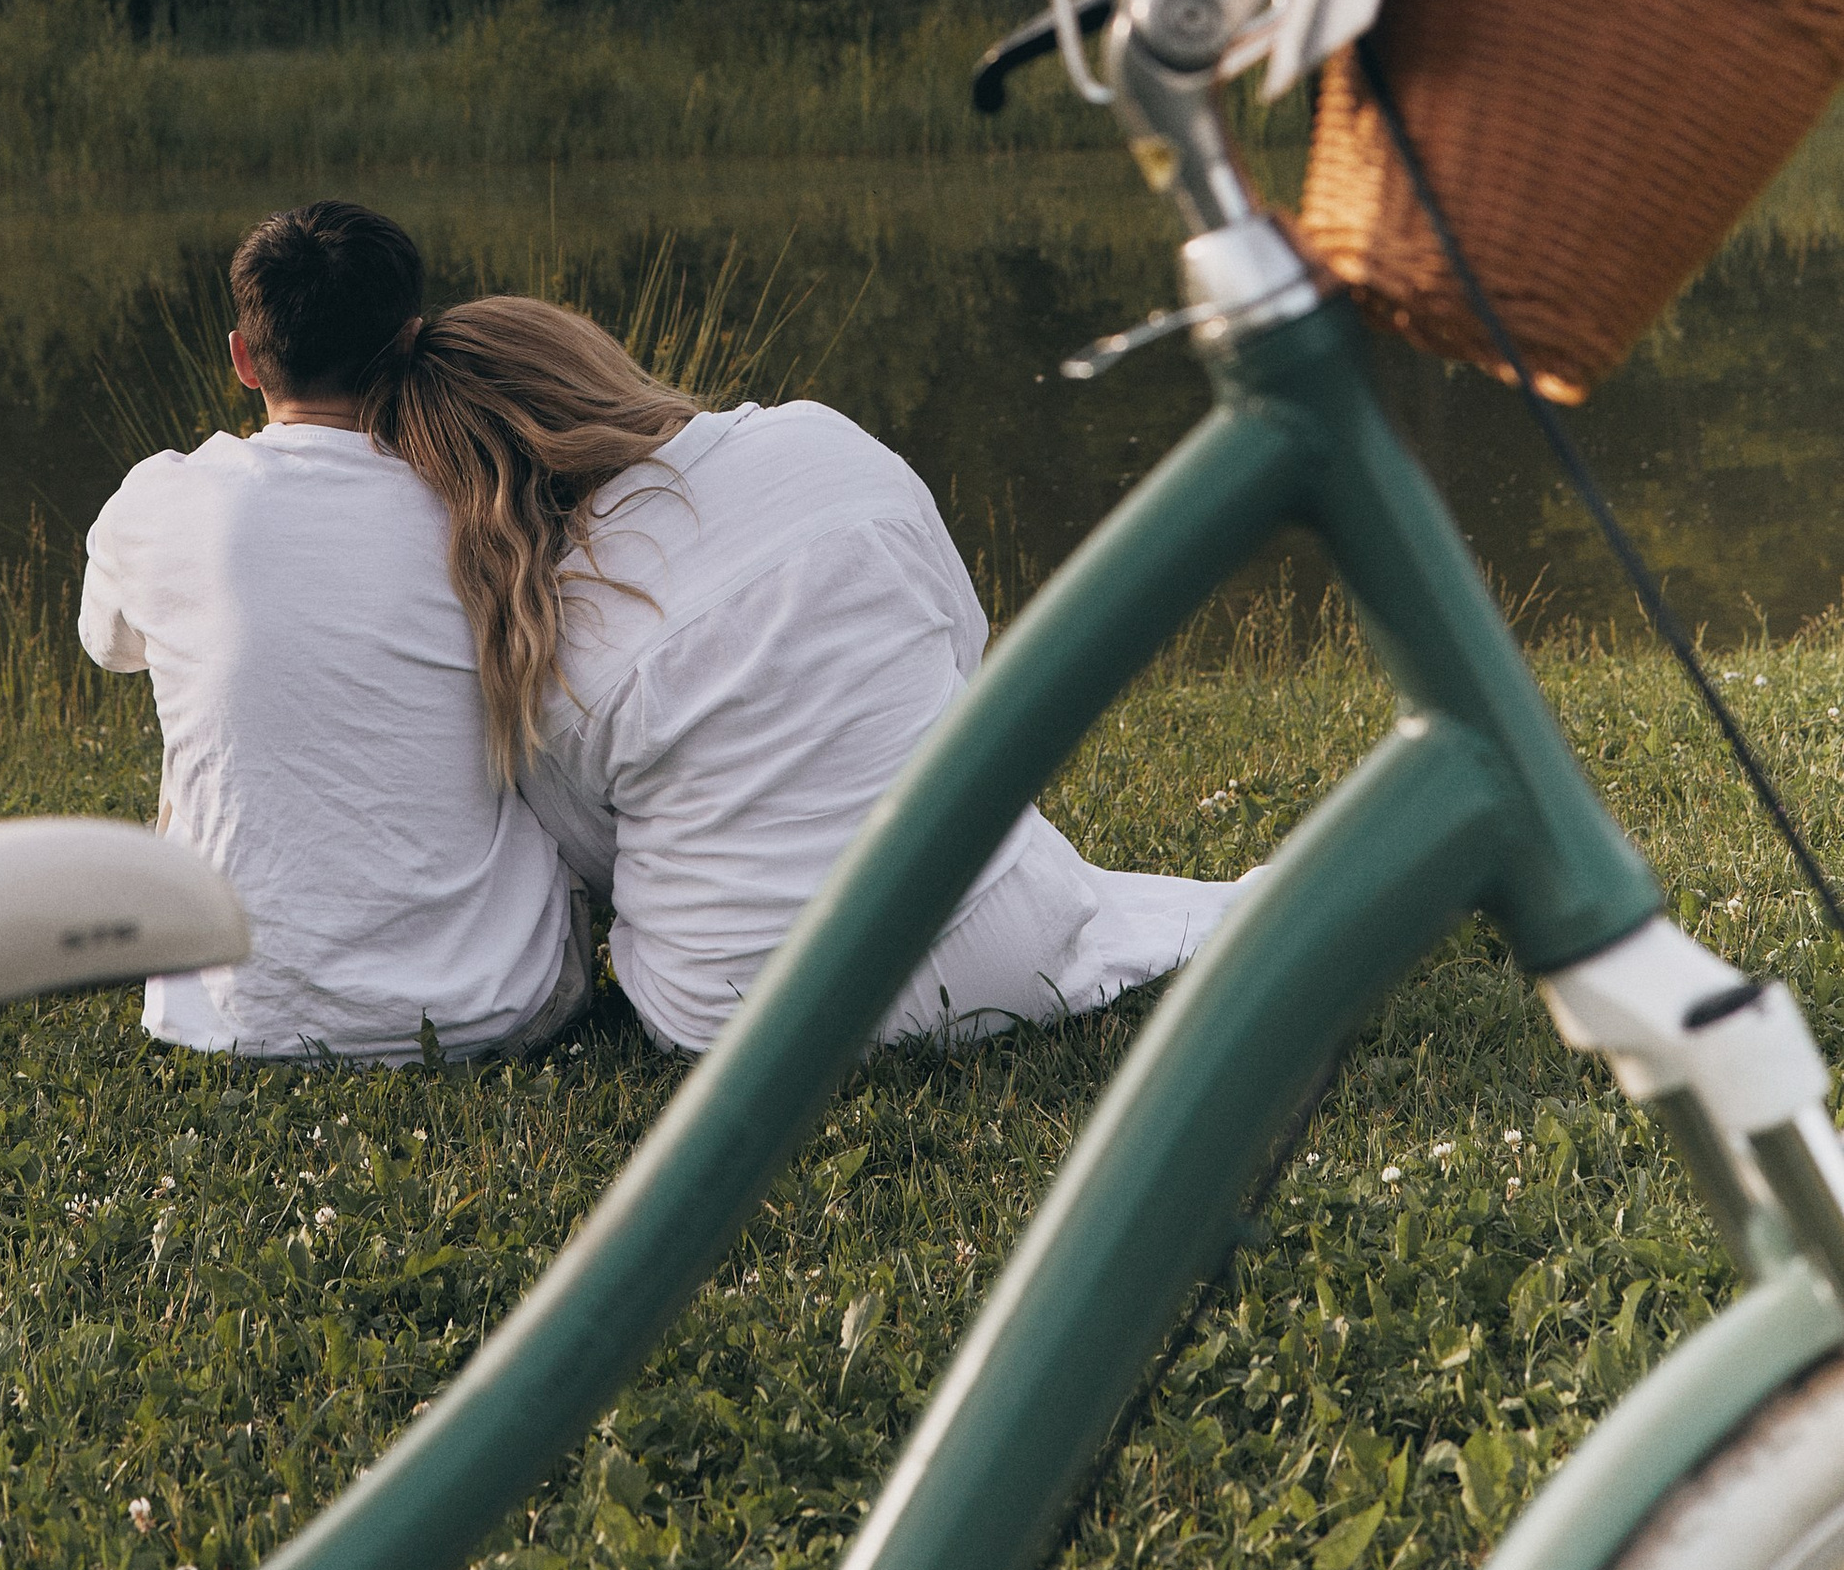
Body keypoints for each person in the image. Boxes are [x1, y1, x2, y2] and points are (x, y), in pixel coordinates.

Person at [361, 294, 1246, 1057]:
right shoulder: (821, 442)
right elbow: (962, 646)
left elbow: (599, 866)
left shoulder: (539, 643)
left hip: (742, 1021)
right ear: (591, 366)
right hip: (1011, 955)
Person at [79, 202, 584, 1064]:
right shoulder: (483, 506)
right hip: (489, 1008)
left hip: (228, 1022)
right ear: (411, 344)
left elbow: (109, 647)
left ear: (243, 358)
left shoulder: (157, 499)